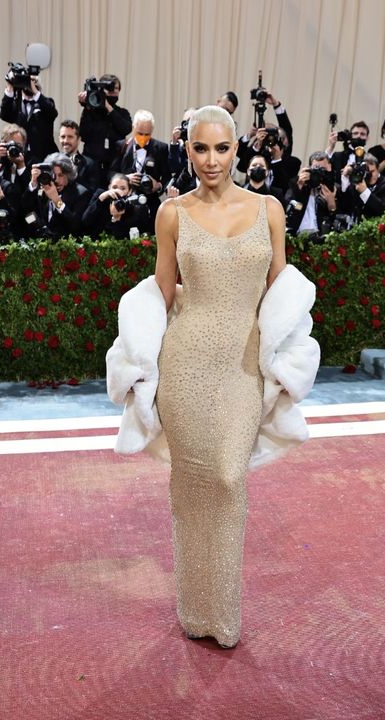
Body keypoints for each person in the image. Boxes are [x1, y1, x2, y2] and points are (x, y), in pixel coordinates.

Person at [105, 104, 319, 649]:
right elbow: (159, 291)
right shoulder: (172, 213)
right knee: (193, 483)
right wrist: (140, 365)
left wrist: (287, 360)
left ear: (237, 147)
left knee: (228, 477)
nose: (211, 160)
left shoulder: (269, 208)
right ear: (188, 149)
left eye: (221, 148)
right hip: (186, 360)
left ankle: (222, 613)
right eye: (200, 148)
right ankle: (194, 608)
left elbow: (281, 289)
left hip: (243, 364)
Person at [16, 153, 91, 240]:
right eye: (53, 175)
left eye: (61, 175)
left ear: (69, 175)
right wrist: (33, 183)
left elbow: (74, 226)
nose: (57, 180)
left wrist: (56, 200)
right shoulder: (44, 189)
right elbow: (24, 212)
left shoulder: (81, 193)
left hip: (66, 248)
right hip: (40, 246)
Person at [111, 109, 169, 213]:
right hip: (125, 203)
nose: (143, 137)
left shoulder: (161, 148)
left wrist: (158, 186)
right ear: (133, 128)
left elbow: (167, 177)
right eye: (140, 133)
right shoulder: (121, 146)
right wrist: (125, 178)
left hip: (150, 203)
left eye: (147, 134)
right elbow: (110, 173)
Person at [77, 73, 132, 174]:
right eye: (109, 88)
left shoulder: (122, 113)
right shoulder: (91, 112)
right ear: (101, 89)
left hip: (114, 166)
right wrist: (88, 107)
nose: (113, 91)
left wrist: (108, 107)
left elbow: (126, 129)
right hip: (92, 165)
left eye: (116, 88)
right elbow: (83, 135)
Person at [0, 71, 57, 163]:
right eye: (26, 80)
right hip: (21, 156)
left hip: (44, 156)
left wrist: (35, 91)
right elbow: (4, 114)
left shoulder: (46, 102)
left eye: (33, 80)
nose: (29, 83)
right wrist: (10, 86)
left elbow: (52, 113)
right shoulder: (16, 104)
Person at [81, 172, 151, 239]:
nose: (118, 191)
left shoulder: (134, 205)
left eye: (123, 188)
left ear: (130, 191)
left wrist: (116, 218)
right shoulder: (101, 196)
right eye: (114, 187)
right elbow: (85, 221)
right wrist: (100, 199)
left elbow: (123, 239)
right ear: (109, 187)